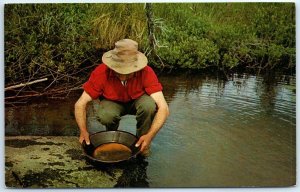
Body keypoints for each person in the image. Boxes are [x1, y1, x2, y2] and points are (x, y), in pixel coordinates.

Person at [74, 39, 169, 155]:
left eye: (128, 73)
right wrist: (83, 131)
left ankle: (143, 142)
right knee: (106, 115)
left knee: (148, 106)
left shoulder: (147, 72)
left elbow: (164, 108)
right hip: (112, 102)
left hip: (137, 102)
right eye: (118, 71)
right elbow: (80, 104)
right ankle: (111, 136)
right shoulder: (101, 73)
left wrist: (150, 135)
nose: (123, 77)